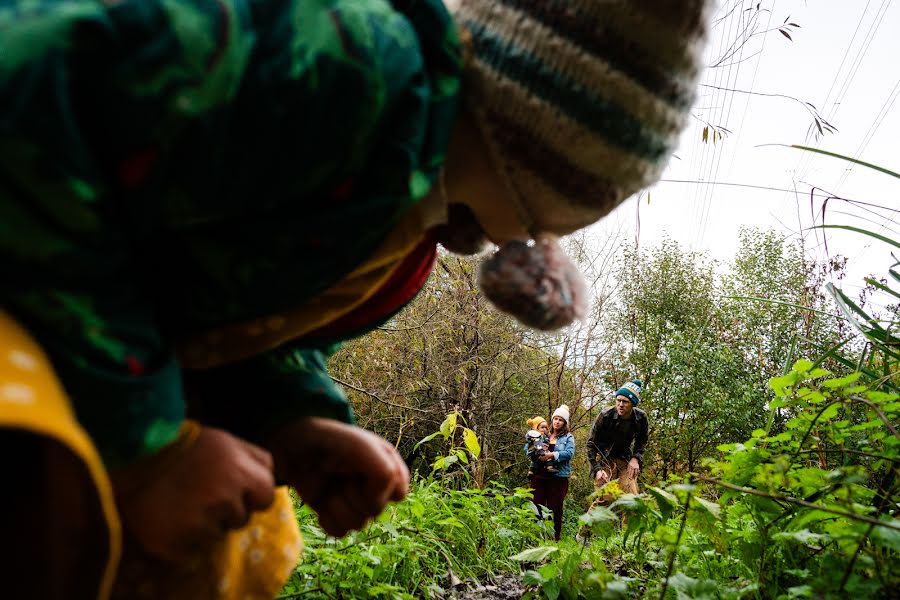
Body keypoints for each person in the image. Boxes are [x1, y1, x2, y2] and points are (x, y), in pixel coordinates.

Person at [0, 1, 711, 597]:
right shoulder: (352, 66)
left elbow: (231, 319)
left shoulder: (404, 240)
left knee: (244, 539)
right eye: (610, 189)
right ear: (556, 142)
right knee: (57, 485)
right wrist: (145, 447)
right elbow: (30, 85)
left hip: (82, 338)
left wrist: (294, 416)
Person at [587, 380, 649, 496]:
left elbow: (642, 441)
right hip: (605, 460)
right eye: (618, 400)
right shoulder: (605, 415)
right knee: (604, 499)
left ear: (633, 404)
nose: (620, 404)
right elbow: (591, 444)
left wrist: (636, 458)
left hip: (625, 460)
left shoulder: (641, 418)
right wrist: (597, 469)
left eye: (625, 402)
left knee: (631, 499)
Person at [529, 405, 574, 541]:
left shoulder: (568, 437)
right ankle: (537, 537)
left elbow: (569, 453)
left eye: (560, 420)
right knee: (537, 506)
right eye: (555, 418)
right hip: (539, 476)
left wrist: (551, 455)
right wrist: (537, 454)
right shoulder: (542, 434)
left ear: (565, 423)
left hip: (558, 477)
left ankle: (555, 538)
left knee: (555, 508)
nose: (557, 422)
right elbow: (528, 448)